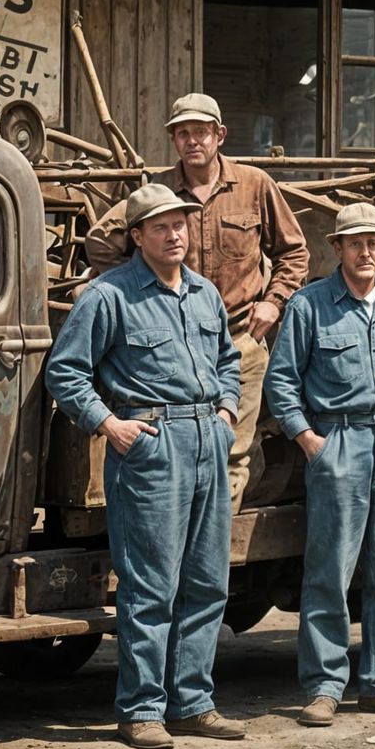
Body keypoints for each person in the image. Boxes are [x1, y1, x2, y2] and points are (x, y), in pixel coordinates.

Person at [45, 183, 244, 749]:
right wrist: (110, 425)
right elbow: (65, 371)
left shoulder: (204, 293)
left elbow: (228, 360)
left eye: (180, 223)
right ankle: (141, 710)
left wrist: (226, 411)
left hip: (207, 440)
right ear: (137, 237)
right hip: (151, 445)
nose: (175, 234)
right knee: (151, 585)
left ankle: (192, 703)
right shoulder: (108, 296)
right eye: (161, 227)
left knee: (207, 583)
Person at [83, 93, 308, 513]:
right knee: (178, 454)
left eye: (201, 132)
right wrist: (140, 290)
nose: (192, 141)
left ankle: (213, 545)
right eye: (182, 133)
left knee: (232, 454)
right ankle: (182, 538)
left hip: (240, 341)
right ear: (173, 139)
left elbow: (293, 252)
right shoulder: (158, 189)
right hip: (173, 348)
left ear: (219, 135)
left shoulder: (255, 185)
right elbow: (99, 241)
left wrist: (274, 302)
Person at [264, 201, 375, 728]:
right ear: (337, 248)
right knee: (329, 572)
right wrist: (310, 441)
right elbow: (281, 381)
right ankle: (324, 687)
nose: (366, 252)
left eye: (374, 243)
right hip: (339, 444)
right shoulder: (310, 305)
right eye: (356, 243)